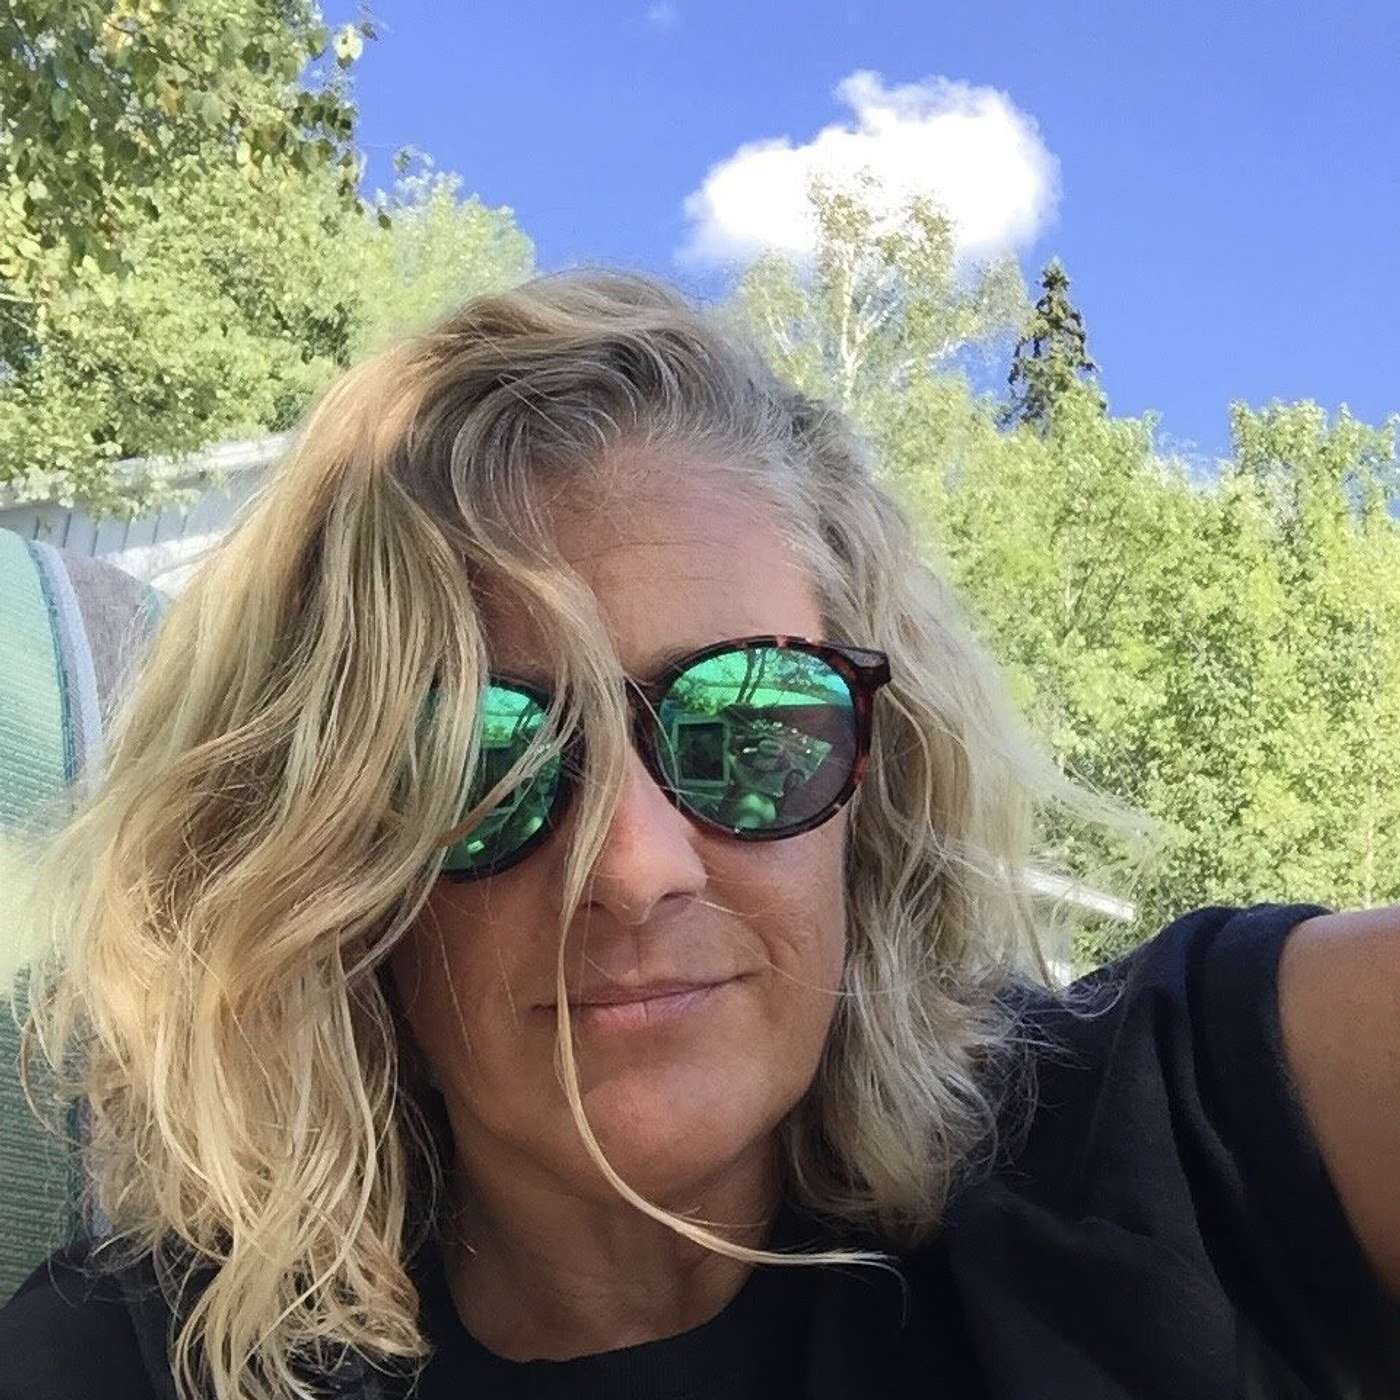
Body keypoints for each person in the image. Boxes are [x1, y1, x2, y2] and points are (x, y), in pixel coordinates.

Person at [1, 270, 1397, 1400]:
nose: (634, 868)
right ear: (329, 853)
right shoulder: (136, 1362)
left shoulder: (1175, 1148)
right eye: (483, 758)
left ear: (877, 783)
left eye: (752, 722)